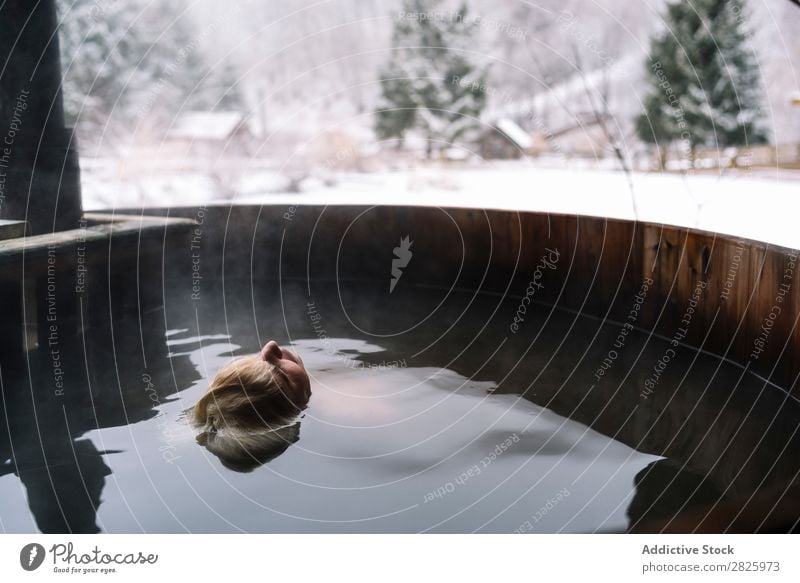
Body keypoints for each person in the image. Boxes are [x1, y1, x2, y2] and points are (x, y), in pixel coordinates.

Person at [192, 340, 312, 472]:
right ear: (297, 408)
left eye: (256, 358)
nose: (269, 346)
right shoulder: (335, 405)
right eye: (283, 375)